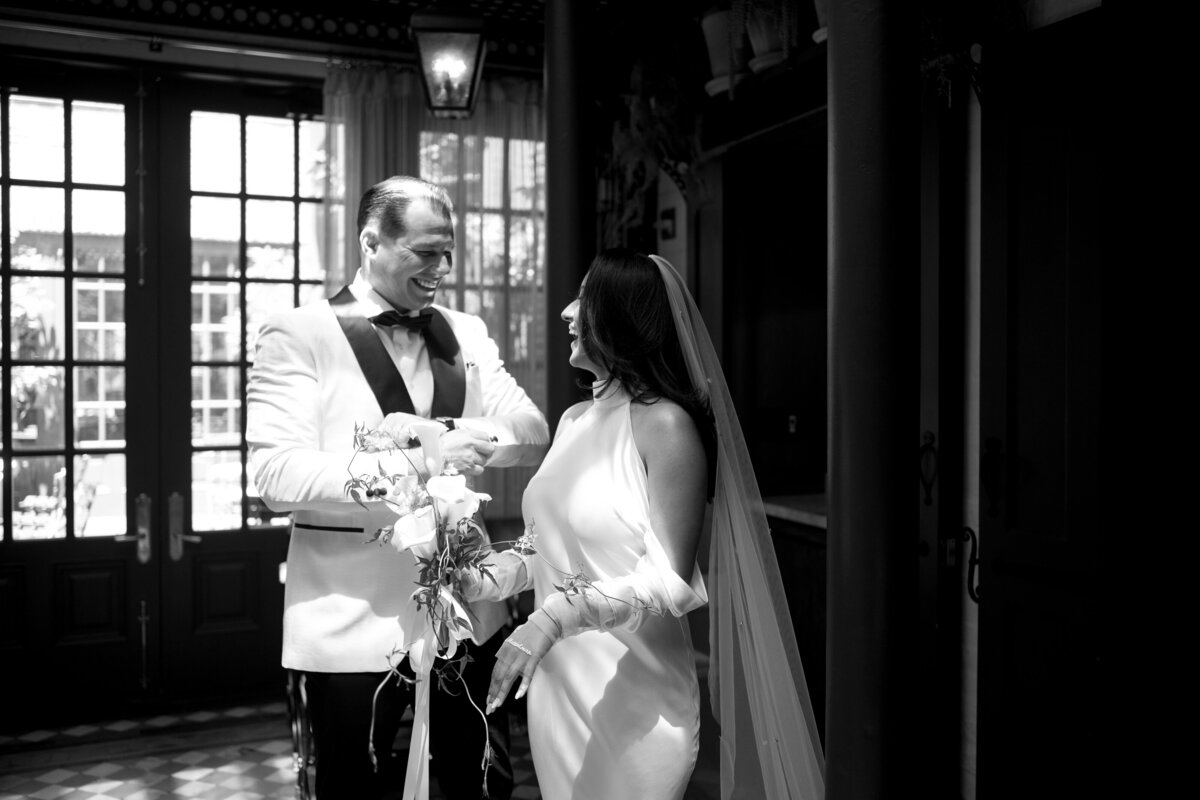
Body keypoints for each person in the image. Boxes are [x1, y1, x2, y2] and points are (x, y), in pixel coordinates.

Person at [462, 249, 825, 799]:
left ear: (621, 315)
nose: (566, 311)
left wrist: (557, 617)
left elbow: (671, 581)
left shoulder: (667, 425)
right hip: (557, 691)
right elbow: (546, 551)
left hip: (634, 700)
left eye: (583, 299)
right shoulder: (574, 419)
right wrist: (478, 575)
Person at [246, 175, 550, 800]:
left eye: (448, 250)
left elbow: (531, 429)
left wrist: (444, 429)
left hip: (469, 612)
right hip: (350, 617)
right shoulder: (298, 332)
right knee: (351, 785)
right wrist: (423, 456)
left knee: (478, 782)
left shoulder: (465, 330)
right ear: (370, 243)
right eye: (425, 251)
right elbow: (275, 474)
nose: (442, 267)